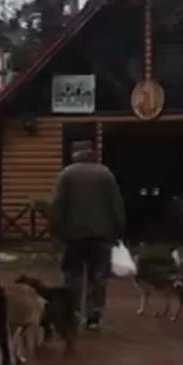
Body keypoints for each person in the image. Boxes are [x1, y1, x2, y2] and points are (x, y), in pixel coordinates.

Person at [49, 139, 125, 329]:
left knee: (72, 276)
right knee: (98, 277)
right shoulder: (106, 174)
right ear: (92, 154)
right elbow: (116, 205)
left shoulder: (66, 175)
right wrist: (117, 230)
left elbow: (58, 205)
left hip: (73, 236)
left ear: (75, 155)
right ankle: (94, 316)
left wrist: (56, 230)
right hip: (101, 235)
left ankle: (72, 312)